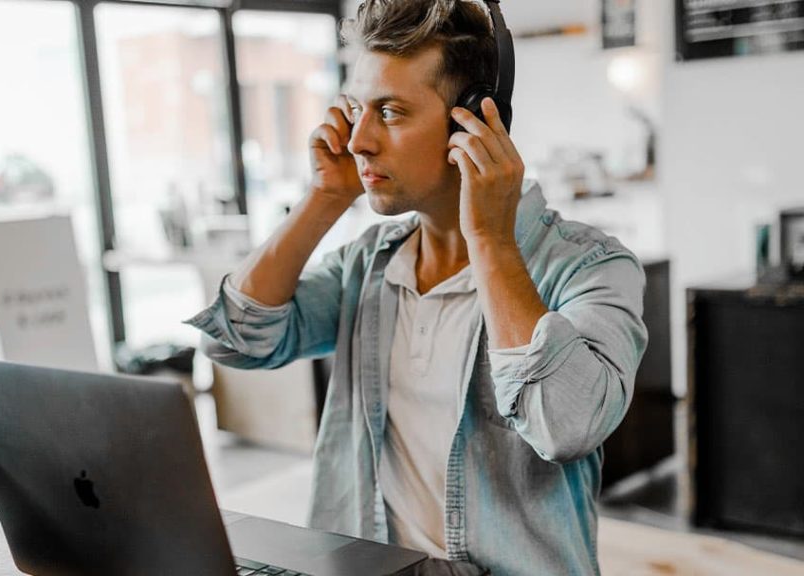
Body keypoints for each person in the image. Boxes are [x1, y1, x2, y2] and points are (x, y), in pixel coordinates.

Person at [186, 1, 647, 574]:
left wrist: (490, 239)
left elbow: (567, 425)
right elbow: (235, 341)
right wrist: (324, 198)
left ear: (474, 121)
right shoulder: (370, 266)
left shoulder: (590, 267)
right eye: (357, 110)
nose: (358, 141)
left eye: (392, 112)